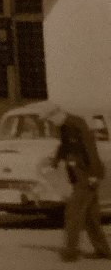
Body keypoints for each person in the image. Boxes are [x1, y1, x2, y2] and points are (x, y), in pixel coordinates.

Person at [46, 105, 111, 262]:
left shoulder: (76, 124)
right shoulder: (65, 126)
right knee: (90, 216)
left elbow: (90, 149)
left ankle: (70, 252)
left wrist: (95, 174)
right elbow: (65, 146)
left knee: (73, 213)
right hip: (80, 176)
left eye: (52, 119)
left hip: (87, 176)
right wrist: (54, 162)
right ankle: (103, 251)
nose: (52, 123)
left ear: (59, 114)